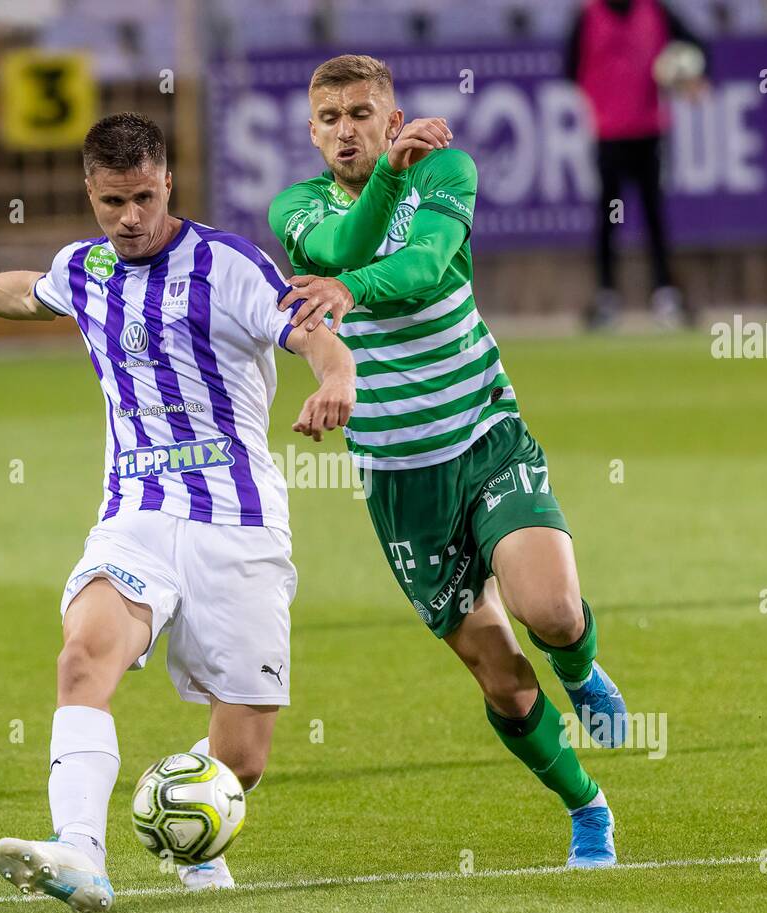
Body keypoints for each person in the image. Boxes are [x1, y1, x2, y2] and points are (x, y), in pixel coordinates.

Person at [0, 113, 356, 912]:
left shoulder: (226, 263)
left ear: (168, 181)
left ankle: (191, 815)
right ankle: (81, 853)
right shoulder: (86, 267)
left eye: (141, 197)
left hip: (235, 518)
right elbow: (30, 292)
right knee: (81, 660)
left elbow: (310, 331)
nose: (128, 218)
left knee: (243, 756)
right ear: (89, 194)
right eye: (110, 202)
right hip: (134, 511)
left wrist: (336, 376)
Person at [267, 55, 626, 869]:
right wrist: (379, 199)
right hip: (400, 478)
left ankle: (584, 668)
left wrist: (350, 287)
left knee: (553, 610)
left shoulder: (447, 167)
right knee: (498, 675)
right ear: (313, 133)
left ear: (393, 121)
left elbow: (423, 268)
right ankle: (588, 808)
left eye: (363, 113)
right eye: (330, 119)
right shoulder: (294, 208)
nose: (346, 129)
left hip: (483, 433)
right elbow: (343, 242)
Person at [564, 0, 709, 328]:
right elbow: (570, 68)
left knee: (654, 214)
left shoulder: (654, 10)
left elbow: (697, 45)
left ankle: (664, 294)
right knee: (608, 218)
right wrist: (603, 93)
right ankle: (606, 297)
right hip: (609, 133)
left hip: (649, 131)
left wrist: (693, 78)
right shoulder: (589, 16)